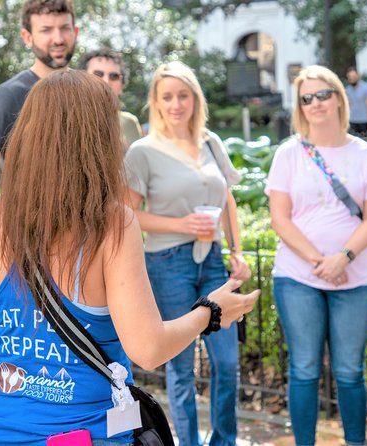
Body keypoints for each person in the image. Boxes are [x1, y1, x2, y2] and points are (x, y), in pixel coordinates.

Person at [0, 70, 259, 446]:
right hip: (92, 433)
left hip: (2, 432)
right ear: (97, 138)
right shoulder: (112, 223)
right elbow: (148, 349)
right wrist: (210, 312)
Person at [124, 61, 251, 446]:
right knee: (180, 368)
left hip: (212, 259)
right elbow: (128, 214)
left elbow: (226, 200)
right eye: (168, 97)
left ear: (195, 99)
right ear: (156, 103)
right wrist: (182, 225)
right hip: (167, 264)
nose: (176, 104)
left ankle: (223, 442)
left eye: (183, 95)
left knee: (227, 364)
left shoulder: (212, 142)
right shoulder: (142, 151)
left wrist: (236, 251)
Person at [265, 65, 367, 446]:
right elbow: (279, 219)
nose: (316, 103)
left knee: (350, 370)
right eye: (307, 98)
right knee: (304, 369)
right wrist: (320, 262)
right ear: (299, 107)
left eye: (323, 94)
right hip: (296, 277)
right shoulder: (288, 153)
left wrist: (344, 258)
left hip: (356, 278)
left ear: (339, 97)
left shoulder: (365, 154)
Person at [0, 0, 79, 222]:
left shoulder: (89, 93)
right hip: (34, 240)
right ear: (27, 37)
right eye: (46, 30)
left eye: (64, 28)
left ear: (76, 31)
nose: (58, 39)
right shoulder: (10, 95)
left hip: (89, 240)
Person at [78, 48, 143, 151]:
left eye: (114, 76)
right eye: (98, 74)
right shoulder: (66, 118)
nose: (106, 81)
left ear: (122, 86)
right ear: (82, 81)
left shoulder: (129, 123)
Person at [345, 66, 367, 137]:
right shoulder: (348, 89)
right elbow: (348, 105)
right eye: (350, 77)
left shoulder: (366, 88)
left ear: (358, 76)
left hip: (364, 121)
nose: (351, 79)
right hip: (352, 121)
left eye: (353, 76)